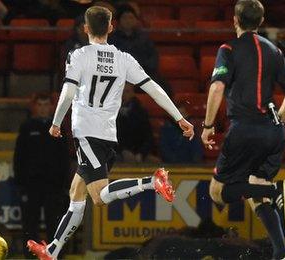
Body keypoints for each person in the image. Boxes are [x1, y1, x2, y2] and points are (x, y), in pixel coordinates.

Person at [26, 6, 194, 260]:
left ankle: (152, 182)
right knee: (76, 193)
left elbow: (68, 91)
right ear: (111, 28)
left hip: (87, 133)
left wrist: (56, 122)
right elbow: (154, 89)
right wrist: (179, 117)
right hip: (107, 134)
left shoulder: (79, 55)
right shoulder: (124, 59)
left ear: (85, 29)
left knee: (100, 196)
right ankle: (53, 250)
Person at [200, 1, 285, 259]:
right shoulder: (274, 50)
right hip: (273, 131)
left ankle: (276, 190)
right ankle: (281, 253)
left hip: (244, 129)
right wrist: (278, 121)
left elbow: (217, 88)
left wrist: (208, 125)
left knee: (218, 192)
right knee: (257, 187)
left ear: (235, 19)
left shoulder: (228, 49)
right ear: (261, 19)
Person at [13, 93, 70, 259]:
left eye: (46, 105)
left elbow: (64, 158)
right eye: (40, 105)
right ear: (35, 107)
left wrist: (64, 183)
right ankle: (30, 255)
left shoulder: (59, 127)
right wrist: (21, 183)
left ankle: (55, 255)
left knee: (56, 222)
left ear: (52, 107)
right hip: (32, 184)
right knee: (30, 222)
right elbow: (19, 157)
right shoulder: (27, 127)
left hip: (54, 184)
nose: (44, 108)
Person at [108, 5, 165, 93]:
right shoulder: (111, 39)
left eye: (131, 18)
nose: (128, 21)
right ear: (119, 21)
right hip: (119, 78)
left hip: (142, 75)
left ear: (136, 20)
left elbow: (153, 59)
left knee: (163, 86)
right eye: (125, 18)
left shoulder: (144, 39)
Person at [116, 86, 156, 163]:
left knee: (156, 163)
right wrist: (123, 150)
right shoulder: (112, 111)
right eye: (122, 91)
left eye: (127, 91)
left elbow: (148, 137)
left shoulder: (140, 111)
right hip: (119, 152)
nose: (124, 94)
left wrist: (141, 153)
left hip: (139, 152)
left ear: (133, 93)